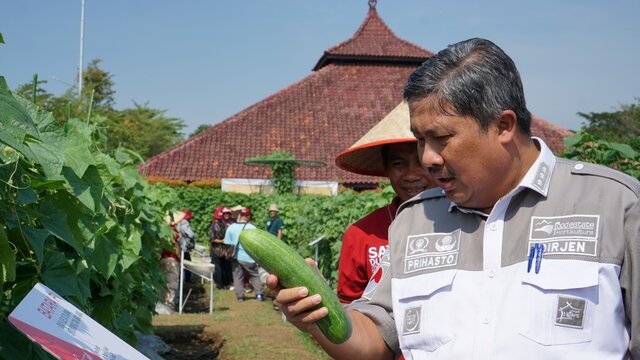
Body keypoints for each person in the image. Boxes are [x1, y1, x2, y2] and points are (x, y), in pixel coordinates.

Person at [268, 38, 640, 359]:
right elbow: (376, 342)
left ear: (503, 126)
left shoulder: (615, 205)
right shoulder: (414, 221)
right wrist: (319, 315)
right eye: (420, 139)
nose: (427, 158)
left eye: (441, 138)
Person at [334, 101, 436, 304]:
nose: (411, 175)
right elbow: (349, 306)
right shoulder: (360, 235)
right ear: (386, 169)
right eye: (398, 164)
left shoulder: (467, 223)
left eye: (420, 161)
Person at [224, 207, 265, 302]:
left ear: (240, 215)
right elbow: (257, 244)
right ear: (248, 216)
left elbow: (227, 243)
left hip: (235, 257)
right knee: (254, 275)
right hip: (249, 257)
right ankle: (259, 294)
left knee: (237, 277)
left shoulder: (231, 227)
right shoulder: (252, 228)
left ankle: (240, 297)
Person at [210, 206, 233, 289]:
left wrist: (222, 241)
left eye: (228, 213)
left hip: (219, 250)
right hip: (220, 249)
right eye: (225, 213)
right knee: (221, 267)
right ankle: (222, 284)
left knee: (219, 267)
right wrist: (223, 241)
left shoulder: (218, 224)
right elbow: (214, 239)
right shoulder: (222, 224)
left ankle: (220, 284)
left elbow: (213, 238)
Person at [175, 209, 195, 283]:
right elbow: (190, 234)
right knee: (187, 263)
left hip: (179, 245)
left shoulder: (178, 222)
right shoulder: (185, 222)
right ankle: (186, 280)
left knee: (181, 262)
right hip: (184, 246)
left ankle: (182, 280)